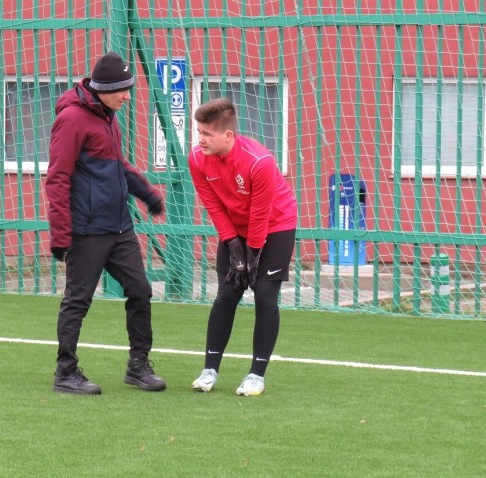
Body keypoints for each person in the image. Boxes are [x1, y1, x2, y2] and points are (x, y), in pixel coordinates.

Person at [45, 52, 167, 395]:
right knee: (78, 300)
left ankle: (138, 366)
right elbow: (57, 178)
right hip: (87, 230)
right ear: (105, 89)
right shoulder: (71, 119)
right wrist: (60, 231)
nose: (128, 95)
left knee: (141, 292)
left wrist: (147, 193)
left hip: (119, 227)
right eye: (123, 90)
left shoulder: (108, 116)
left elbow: (116, 165)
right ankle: (65, 372)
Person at [187, 98, 297, 396]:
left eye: (207, 134)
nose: (201, 139)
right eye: (199, 132)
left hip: (275, 227)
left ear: (228, 135)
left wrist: (253, 254)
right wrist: (234, 247)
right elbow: (213, 204)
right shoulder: (197, 159)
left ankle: (256, 376)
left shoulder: (259, 162)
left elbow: (261, 213)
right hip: (235, 229)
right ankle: (209, 370)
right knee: (227, 294)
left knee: (265, 296)